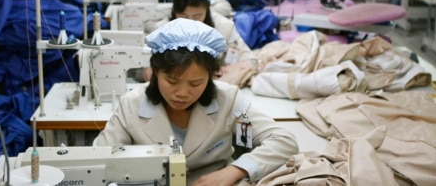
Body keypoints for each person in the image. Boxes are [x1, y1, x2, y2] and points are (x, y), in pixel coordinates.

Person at [94, 19, 299, 185]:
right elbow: (100, 160)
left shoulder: (228, 101)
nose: (182, 93)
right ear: (155, 72)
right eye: (172, 81)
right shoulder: (131, 105)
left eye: (196, 83)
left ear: (211, 76)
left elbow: (282, 141)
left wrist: (235, 170)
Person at [161, 0, 256, 72]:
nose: (190, 23)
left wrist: (224, 71)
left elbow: (250, 61)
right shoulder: (163, 30)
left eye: (197, 17)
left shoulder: (224, 27)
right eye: (184, 17)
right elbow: (148, 67)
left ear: (207, 10)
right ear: (174, 12)